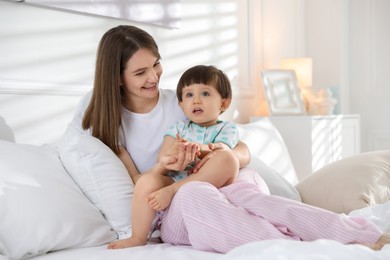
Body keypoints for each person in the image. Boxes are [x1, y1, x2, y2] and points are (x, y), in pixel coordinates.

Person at [66, 24, 390, 253]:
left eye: (156, 65)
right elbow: (141, 179)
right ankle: (290, 246)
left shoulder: (182, 101)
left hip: (224, 180)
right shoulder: (103, 117)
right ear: (116, 78)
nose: (153, 77)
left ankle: (357, 234)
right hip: (183, 195)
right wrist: (163, 169)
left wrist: (224, 152)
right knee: (195, 194)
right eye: (140, 73)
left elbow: (237, 150)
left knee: (253, 193)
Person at [108, 65, 240, 249]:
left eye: (205, 94)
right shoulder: (178, 128)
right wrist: (175, 154)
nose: (196, 101)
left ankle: (175, 190)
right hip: (174, 183)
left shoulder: (227, 128)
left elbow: (222, 149)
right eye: (189, 95)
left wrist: (201, 149)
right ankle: (138, 237)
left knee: (228, 159)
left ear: (224, 103)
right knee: (147, 181)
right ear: (181, 105)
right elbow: (164, 155)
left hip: (206, 188)